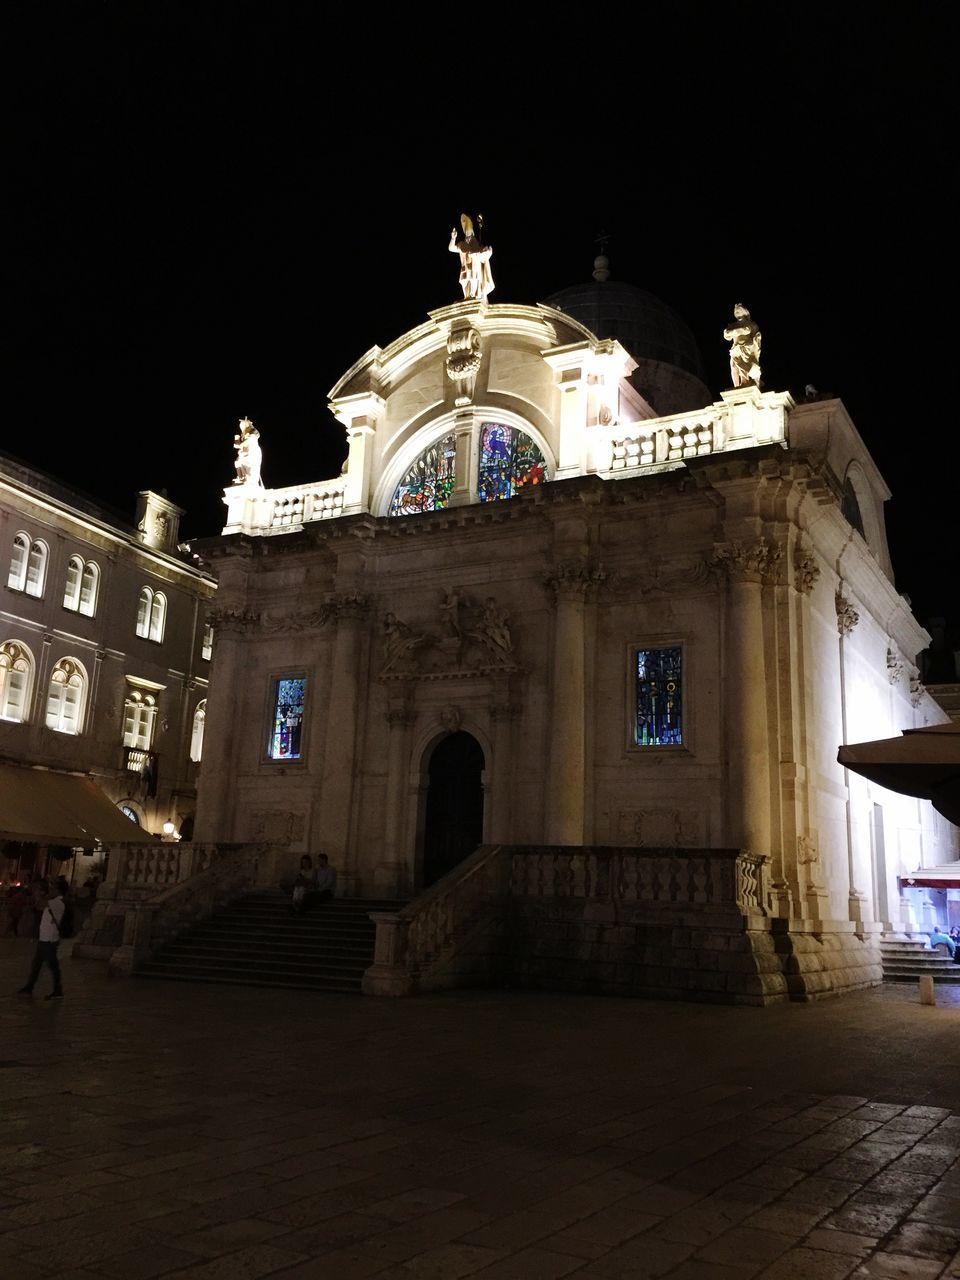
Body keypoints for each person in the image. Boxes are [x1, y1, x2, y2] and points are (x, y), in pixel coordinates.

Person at [17, 878, 65, 999]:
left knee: (52, 965)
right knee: (37, 964)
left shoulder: (58, 902)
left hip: (50, 940)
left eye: (53, 888)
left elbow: (41, 904)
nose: (51, 890)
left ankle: (57, 990)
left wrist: (40, 892)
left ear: (58, 890)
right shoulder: (53, 901)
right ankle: (29, 987)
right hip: (44, 939)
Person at [448, 214, 494, 302]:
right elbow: (451, 248)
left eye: (469, 233)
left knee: (474, 280)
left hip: (475, 268)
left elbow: (485, 254)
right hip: (465, 269)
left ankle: (475, 295)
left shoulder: (477, 244)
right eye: (466, 232)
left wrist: (484, 251)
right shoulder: (461, 244)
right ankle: (466, 297)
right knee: (464, 282)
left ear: (473, 232)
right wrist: (453, 238)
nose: (468, 235)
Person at [723, 303, 762, 388]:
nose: (736, 312)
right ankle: (736, 386)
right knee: (734, 366)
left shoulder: (751, 324)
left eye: (738, 310)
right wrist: (739, 331)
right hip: (735, 349)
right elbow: (726, 335)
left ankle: (745, 383)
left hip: (747, 349)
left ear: (745, 311)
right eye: (735, 311)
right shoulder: (732, 325)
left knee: (744, 367)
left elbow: (755, 335)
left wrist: (734, 332)